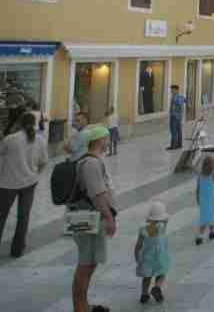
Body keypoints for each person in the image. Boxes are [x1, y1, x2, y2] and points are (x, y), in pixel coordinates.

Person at [71, 125, 117, 312]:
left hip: (90, 216)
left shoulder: (92, 161)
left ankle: (83, 305)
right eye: (106, 138)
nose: (108, 141)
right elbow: (97, 194)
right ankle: (80, 307)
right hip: (88, 217)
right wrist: (109, 218)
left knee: (89, 263)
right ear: (99, 141)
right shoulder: (91, 163)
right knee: (86, 264)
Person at [0, 111, 48, 257]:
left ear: (19, 123)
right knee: (23, 216)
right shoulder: (40, 140)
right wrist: (35, 174)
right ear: (34, 123)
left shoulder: (10, 139)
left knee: (1, 215)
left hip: (8, 182)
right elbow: (43, 162)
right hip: (29, 182)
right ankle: (17, 249)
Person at [134, 200, 171, 304]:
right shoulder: (162, 227)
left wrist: (137, 256)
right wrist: (164, 217)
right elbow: (166, 220)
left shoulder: (143, 229)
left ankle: (144, 294)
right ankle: (157, 286)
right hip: (160, 257)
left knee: (147, 277)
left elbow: (138, 245)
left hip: (147, 258)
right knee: (162, 273)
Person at [167, 85, 186, 151]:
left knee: (173, 131)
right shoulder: (181, 96)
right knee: (179, 131)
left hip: (174, 116)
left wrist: (172, 113)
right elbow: (185, 101)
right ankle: (179, 145)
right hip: (179, 116)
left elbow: (177, 105)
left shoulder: (175, 97)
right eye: (171, 90)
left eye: (172, 89)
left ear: (176, 90)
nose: (171, 91)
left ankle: (173, 146)